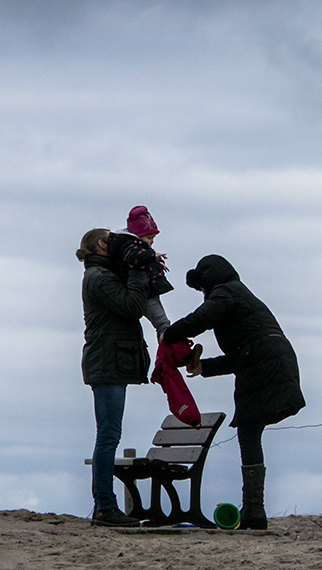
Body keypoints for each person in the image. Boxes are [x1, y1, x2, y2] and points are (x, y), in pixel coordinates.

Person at [163, 254, 305, 530]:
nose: (204, 295)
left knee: (249, 431)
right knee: (249, 432)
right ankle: (253, 511)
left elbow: (202, 318)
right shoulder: (238, 295)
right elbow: (240, 355)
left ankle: (254, 510)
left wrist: (170, 334)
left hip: (265, 365)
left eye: (203, 289)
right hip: (270, 361)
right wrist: (203, 367)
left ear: (209, 280)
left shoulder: (226, 292)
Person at [76, 227, 152, 527]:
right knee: (108, 436)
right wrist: (137, 270)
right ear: (102, 244)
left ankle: (104, 505)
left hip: (108, 362)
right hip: (106, 363)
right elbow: (132, 307)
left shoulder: (100, 275)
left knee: (108, 435)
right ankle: (106, 506)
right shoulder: (98, 278)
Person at [103, 206, 173, 338]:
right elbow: (136, 258)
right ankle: (170, 350)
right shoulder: (132, 247)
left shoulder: (132, 245)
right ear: (138, 235)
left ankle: (169, 348)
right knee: (162, 323)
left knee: (162, 322)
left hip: (147, 290)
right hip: (145, 292)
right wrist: (152, 256)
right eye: (149, 238)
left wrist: (156, 262)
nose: (151, 242)